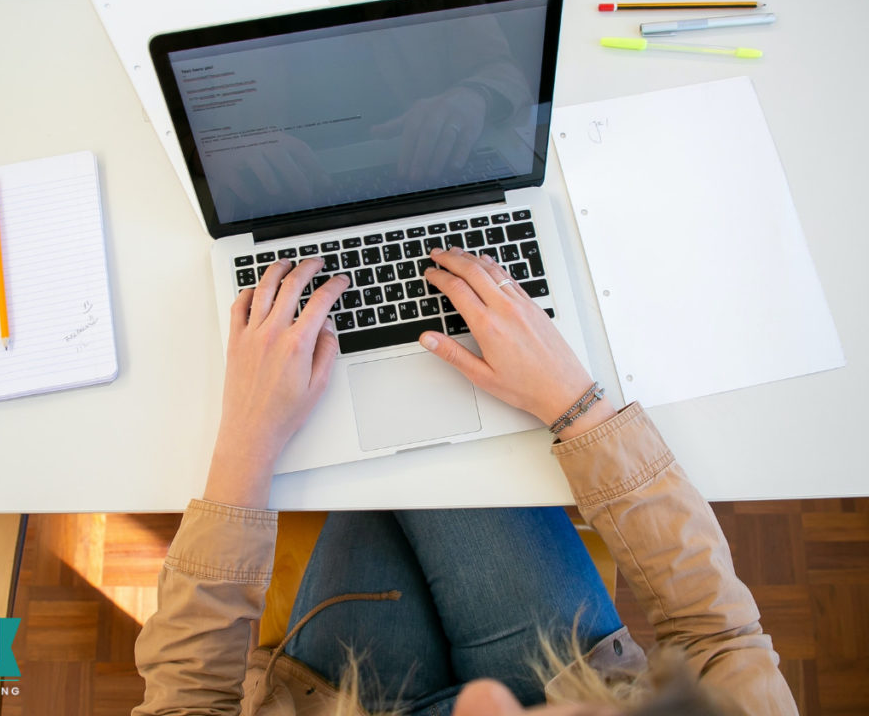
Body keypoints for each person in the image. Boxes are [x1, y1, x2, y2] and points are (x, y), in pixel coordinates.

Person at [132, 247, 799, 716]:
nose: (480, 702)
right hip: (568, 671)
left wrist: (248, 439)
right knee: (420, 465)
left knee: (388, 473)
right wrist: (574, 405)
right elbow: (719, 633)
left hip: (334, 696)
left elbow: (186, 702)